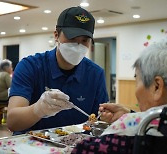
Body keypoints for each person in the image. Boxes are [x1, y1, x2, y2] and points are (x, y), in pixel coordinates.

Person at [7, 6, 109, 134]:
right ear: (56, 35)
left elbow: (99, 120)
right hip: (32, 145)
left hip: (75, 145)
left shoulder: (95, 74)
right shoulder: (30, 66)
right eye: (72, 39)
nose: (78, 46)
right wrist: (39, 109)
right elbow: (12, 122)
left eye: (84, 40)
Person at [71, 39, 167, 153]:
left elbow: (82, 150)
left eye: (137, 80)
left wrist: (130, 119)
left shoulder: (128, 133)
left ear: (157, 87)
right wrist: (131, 114)